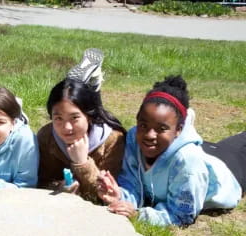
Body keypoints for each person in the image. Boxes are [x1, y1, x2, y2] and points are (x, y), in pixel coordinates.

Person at [97, 75, 242, 226]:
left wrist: (138, 216)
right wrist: (119, 196)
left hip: (231, 172)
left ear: (179, 129)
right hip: (205, 153)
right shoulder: (134, 138)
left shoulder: (188, 163)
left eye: (162, 128)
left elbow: (182, 215)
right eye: (143, 125)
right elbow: (131, 184)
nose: (149, 135)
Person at [37, 48, 126, 202]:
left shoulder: (113, 140)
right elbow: (39, 183)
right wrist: (59, 188)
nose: (67, 128)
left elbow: (106, 197)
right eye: (58, 118)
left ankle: (91, 83)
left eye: (74, 118)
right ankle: (88, 82)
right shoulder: (46, 137)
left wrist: (82, 163)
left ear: (89, 116)